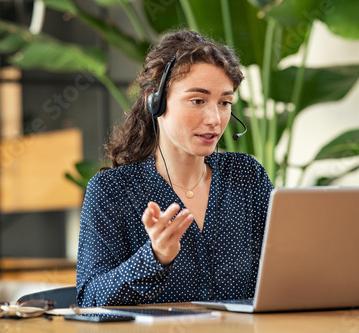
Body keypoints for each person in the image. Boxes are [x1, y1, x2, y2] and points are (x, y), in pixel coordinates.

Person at [76, 30, 274, 307]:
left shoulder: (247, 176)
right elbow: (90, 300)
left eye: (225, 103)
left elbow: (284, 270)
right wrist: (155, 256)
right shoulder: (112, 190)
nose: (215, 119)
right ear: (155, 101)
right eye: (198, 100)